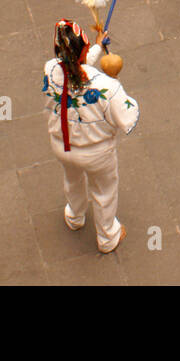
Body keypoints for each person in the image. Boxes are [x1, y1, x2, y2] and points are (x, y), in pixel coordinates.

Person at [42, 19, 138, 252]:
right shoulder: (106, 86)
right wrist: (114, 79)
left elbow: (76, 67)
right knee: (104, 192)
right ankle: (107, 237)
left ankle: (75, 217)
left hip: (62, 146)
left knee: (72, 180)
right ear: (83, 50)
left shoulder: (50, 69)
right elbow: (127, 116)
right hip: (96, 154)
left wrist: (95, 48)